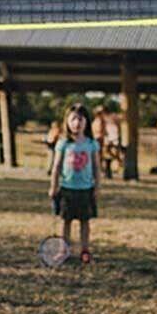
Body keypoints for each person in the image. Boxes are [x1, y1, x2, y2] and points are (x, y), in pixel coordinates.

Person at [49, 102, 99, 263]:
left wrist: (97, 187)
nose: (77, 123)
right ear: (67, 122)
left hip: (86, 189)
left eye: (81, 119)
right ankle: (64, 250)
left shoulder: (92, 144)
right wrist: (53, 186)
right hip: (67, 189)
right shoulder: (63, 143)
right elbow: (56, 166)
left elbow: (97, 168)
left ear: (87, 122)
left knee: (85, 221)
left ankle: (85, 250)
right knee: (66, 221)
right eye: (73, 119)